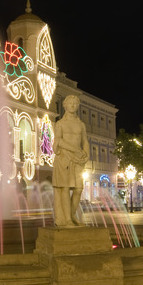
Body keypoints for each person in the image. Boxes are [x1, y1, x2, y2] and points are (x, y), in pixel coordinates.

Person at [52, 95, 89, 226]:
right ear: (65, 106)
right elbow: (58, 141)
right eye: (70, 103)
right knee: (65, 188)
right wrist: (75, 149)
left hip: (78, 159)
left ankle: (73, 214)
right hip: (64, 158)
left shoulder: (81, 125)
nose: (73, 106)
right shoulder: (60, 123)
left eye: (75, 103)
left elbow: (85, 141)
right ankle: (66, 219)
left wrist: (86, 154)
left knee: (79, 188)